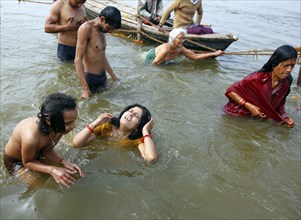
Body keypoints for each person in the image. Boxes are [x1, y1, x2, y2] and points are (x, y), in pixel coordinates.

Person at [3, 93, 84, 187]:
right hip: (16, 161)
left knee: (69, 175)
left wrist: (62, 162)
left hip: (37, 154)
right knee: (40, 185)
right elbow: (28, 162)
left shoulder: (58, 126)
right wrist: (52, 169)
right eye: (69, 123)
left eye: (74, 121)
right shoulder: (31, 137)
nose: (74, 126)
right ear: (48, 120)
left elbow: (47, 149)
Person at [223, 45, 298, 128]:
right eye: (286, 65)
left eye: (292, 65)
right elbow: (230, 91)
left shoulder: (287, 81)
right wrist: (249, 106)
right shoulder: (256, 78)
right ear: (274, 64)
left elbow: (280, 103)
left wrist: (285, 117)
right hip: (238, 115)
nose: (289, 70)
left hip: (259, 118)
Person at [72, 104, 158, 162]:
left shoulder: (136, 141)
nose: (131, 114)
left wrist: (145, 131)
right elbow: (76, 143)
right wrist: (95, 123)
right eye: (130, 111)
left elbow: (151, 158)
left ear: (138, 126)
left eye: (136, 115)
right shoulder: (106, 127)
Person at [74, 6, 121, 99]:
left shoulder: (102, 31)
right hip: (90, 79)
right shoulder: (86, 28)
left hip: (103, 78)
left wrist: (113, 76)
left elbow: (102, 56)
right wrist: (85, 89)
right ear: (102, 19)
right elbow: (77, 59)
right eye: (109, 28)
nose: (110, 32)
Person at [146, 28, 223, 65]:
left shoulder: (180, 49)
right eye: (180, 38)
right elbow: (154, 63)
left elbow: (195, 56)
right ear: (173, 39)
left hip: (165, 60)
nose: (182, 41)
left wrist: (213, 53)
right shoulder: (165, 50)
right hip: (152, 57)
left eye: (184, 38)